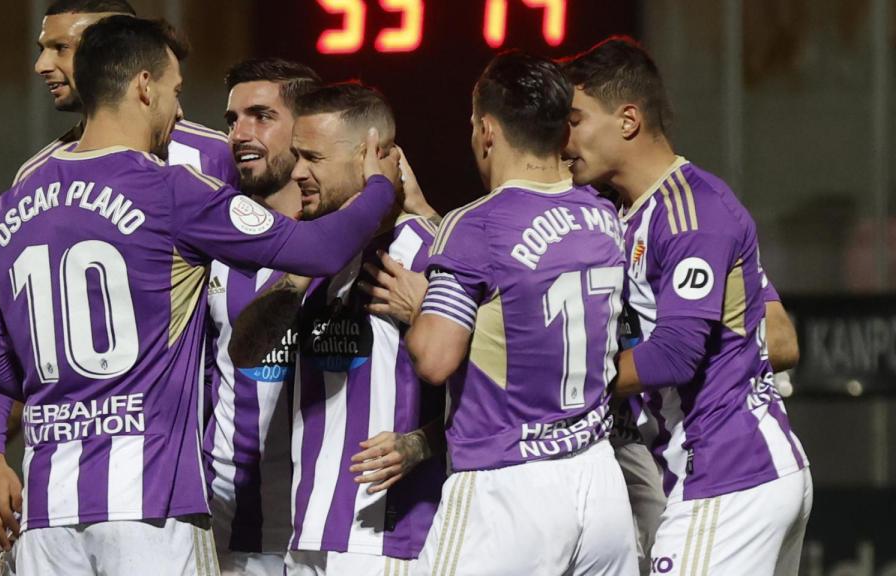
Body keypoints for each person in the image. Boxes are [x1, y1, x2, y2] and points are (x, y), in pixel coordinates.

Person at [0, 16, 401, 576]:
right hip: (149, 503)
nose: (178, 109)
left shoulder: (9, 208)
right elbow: (318, 250)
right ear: (144, 87)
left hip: (48, 510)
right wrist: (380, 186)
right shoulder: (171, 190)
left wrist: (3, 439)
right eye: (175, 91)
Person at [0, 0, 242, 554]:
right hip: (94, 481)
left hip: (213, 461)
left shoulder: (215, 157)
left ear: (112, 47)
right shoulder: (34, 177)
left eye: (60, 48)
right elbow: (0, 333)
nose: (42, 64)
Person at [562, 36, 811, 575]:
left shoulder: (691, 212)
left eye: (576, 120)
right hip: (739, 473)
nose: (565, 138)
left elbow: (677, 354)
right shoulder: (625, 214)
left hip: (727, 475)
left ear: (628, 120)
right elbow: (775, 334)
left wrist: (561, 383)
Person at [384, 51, 638, 576]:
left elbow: (435, 358)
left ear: (486, 130)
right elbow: (517, 284)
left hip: (507, 486)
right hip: (598, 480)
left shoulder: (474, 225)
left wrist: (422, 306)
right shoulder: (603, 214)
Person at [228, 82, 445, 576]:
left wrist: (421, 443)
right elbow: (248, 350)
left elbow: (499, 393)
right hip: (306, 533)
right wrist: (314, 257)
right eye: (296, 156)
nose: (297, 172)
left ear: (374, 157)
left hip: (391, 541)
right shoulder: (314, 255)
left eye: (313, 158)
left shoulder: (428, 253)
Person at [208, 57, 320, 576]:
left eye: (261, 116)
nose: (240, 134)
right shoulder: (209, 243)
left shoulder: (357, 243)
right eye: (233, 120)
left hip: (325, 535)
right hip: (221, 530)